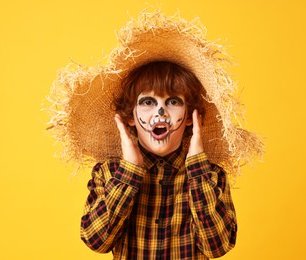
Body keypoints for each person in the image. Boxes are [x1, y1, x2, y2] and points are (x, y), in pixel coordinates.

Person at [47, 10, 263, 259]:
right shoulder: (108, 173)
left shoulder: (210, 176)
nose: (160, 113)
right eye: (148, 102)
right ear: (130, 116)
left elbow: (218, 246)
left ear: (192, 117)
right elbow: (96, 241)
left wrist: (197, 166)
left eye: (173, 102)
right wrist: (129, 171)